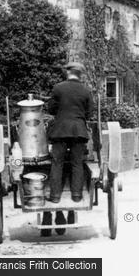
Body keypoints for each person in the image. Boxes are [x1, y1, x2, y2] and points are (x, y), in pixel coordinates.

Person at [46, 62, 95, 203]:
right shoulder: (86, 91)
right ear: (80, 74)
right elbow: (89, 113)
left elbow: (51, 110)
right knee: (77, 163)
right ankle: (77, 196)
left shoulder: (58, 88)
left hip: (60, 130)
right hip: (79, 131)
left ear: (68, 72)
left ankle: (55, 197)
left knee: (57, 163)